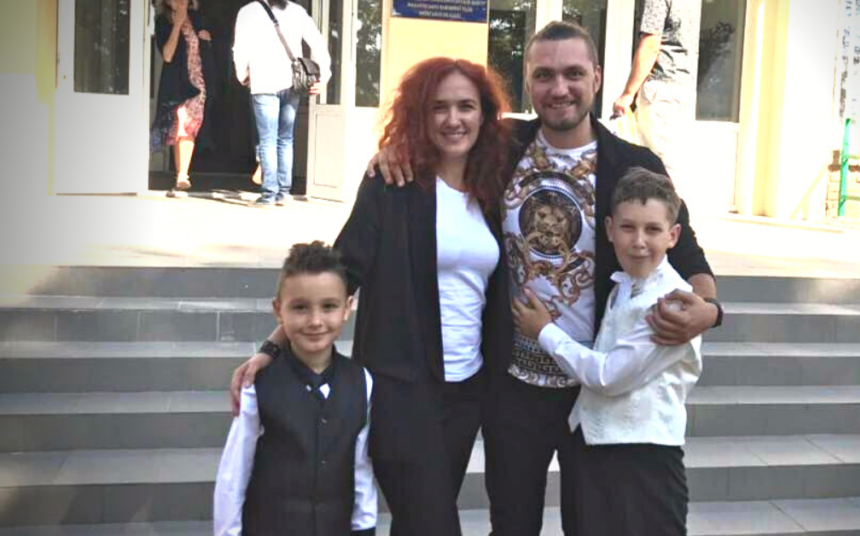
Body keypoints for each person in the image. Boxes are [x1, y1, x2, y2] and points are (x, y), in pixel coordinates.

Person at [372, 21, 723, 536]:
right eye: (545, 75)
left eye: (574, 74)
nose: (560, 88)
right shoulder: (500, 145)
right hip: (512, 385)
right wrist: (392, 151)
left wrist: (709, 310)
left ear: (598, 78)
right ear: (529, 82)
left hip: (596, 387)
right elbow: (437, 142)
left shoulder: (633, 162)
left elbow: (688, 252)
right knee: (512, 524)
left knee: (592, 524)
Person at [232, 57, 514, 536]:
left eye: (466, 106)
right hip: (401, 390)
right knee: (434, 525)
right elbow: (340, 271)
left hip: (467, 391)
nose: (453, 119)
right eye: (438, 107)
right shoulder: (394, 182)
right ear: (419, 117)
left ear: (484, 115)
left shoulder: (492, 189)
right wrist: (273, 347)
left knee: (420, 517)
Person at [512, 168, 701, 536]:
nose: (639, 241)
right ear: (610, 229)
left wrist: (544, 332)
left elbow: (608, 376)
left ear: (673, 235)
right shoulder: (624, 285)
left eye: (653, 230)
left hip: (644, 461)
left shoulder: (672, 303)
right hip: (598, 451)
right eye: (628, 228)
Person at [213, 241, 376, 536]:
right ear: (278, 310)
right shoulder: (258, 385)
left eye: (328, 306)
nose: (315, 321)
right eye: (300, 308)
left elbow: (361, 466)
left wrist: (364, 525)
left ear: (347, 308)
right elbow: (233, 473)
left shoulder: (361, 381)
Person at [233, 0, 331, 207]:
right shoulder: (297, 11)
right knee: (285, 139)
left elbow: (240, 48)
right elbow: (318, 42)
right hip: (292, 83)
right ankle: (284, 193)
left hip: (264, 81)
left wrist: (242, 75)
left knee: (268, 139)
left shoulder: (248, 11)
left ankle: (269, 194)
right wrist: (324, 76)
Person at [612, 0, 702, 192]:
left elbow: (651, 45)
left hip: (660, 90)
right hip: (683, 87)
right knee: (673, 166)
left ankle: (669, 219)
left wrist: (628, 93)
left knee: (657, 169)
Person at [150, 0, 216, 191]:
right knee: (178, 126)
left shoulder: (198, 19)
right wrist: (177, 25)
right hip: (176, 84)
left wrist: (208, 40)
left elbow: (208, 49)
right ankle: (181, 174)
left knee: (188, 125)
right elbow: (168, 55)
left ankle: (182, 175)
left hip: (198, 82)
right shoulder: (163, 21)